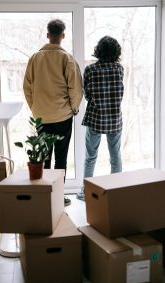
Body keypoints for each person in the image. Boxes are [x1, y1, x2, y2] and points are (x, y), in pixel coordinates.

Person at [23, 19, 83, 206]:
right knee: (61, 158)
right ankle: (57, 197)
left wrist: (35, 108)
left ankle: (44, 196)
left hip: (42, 116)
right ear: (62, 36)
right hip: (63, 115)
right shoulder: (67, 59)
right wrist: (73, 108)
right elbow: (75, 88)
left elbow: (27, 88)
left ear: (48, 35)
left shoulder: (34, 58)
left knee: (44, 157)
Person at [77, 36, 124, 201]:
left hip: (95, 118)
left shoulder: (90, 70)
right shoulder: (119, 69)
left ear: (98, 51)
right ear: (116, 52)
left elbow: (88, 95)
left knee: (91, 156)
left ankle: (85, 192)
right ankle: (117, 190)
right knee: (115, 156)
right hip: (114, 119)